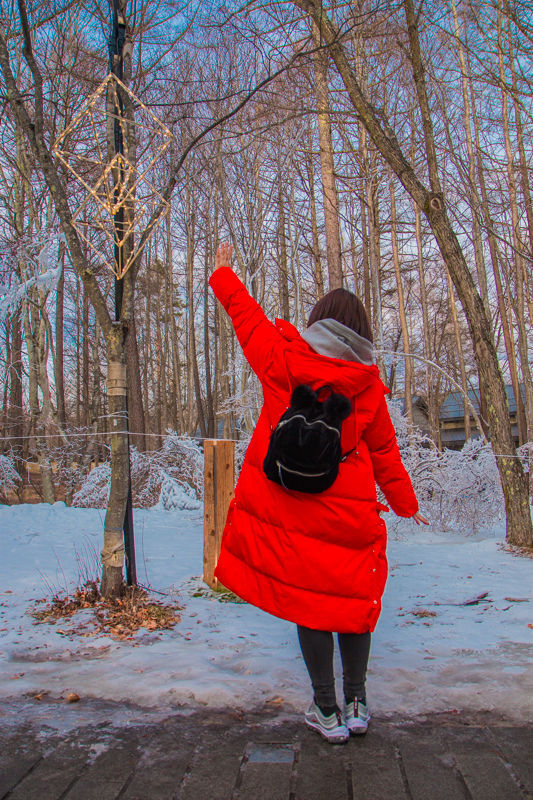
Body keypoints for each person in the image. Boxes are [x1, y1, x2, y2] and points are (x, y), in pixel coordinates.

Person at [209, 242, 429, 744]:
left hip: (294, 511)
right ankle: (357, 704)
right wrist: (405, 504)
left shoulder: (283, 360)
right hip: (348, 516)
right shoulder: (368, 386)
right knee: (350, 603)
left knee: (310, 605)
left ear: (318, 322)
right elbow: (386, 452)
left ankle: (325, 710)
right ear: (362, 334)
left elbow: (247, 318)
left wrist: (224, 274)